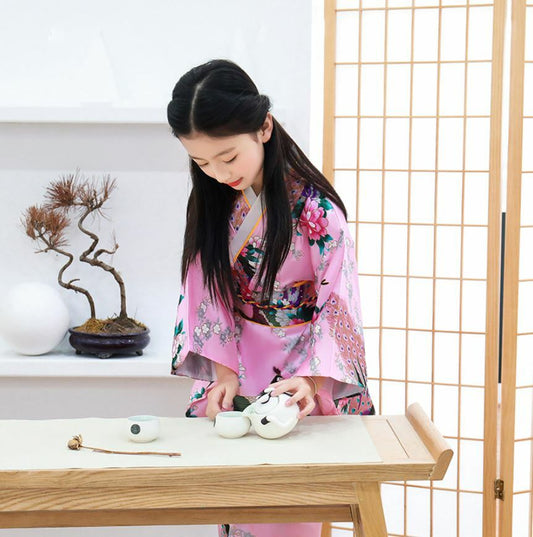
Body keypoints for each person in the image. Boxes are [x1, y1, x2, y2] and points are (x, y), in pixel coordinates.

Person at [167, 59, 374, 537]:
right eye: (202, 162)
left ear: (263, 127)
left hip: (302, 373)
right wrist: (222, 372)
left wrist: (313, 379)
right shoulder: (214, 203)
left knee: (289, 510)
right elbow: (204, 290)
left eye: (228, 157)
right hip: (238, 362)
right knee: (236, 503)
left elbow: (338, 302)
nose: (218, 173)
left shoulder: (317, 210)